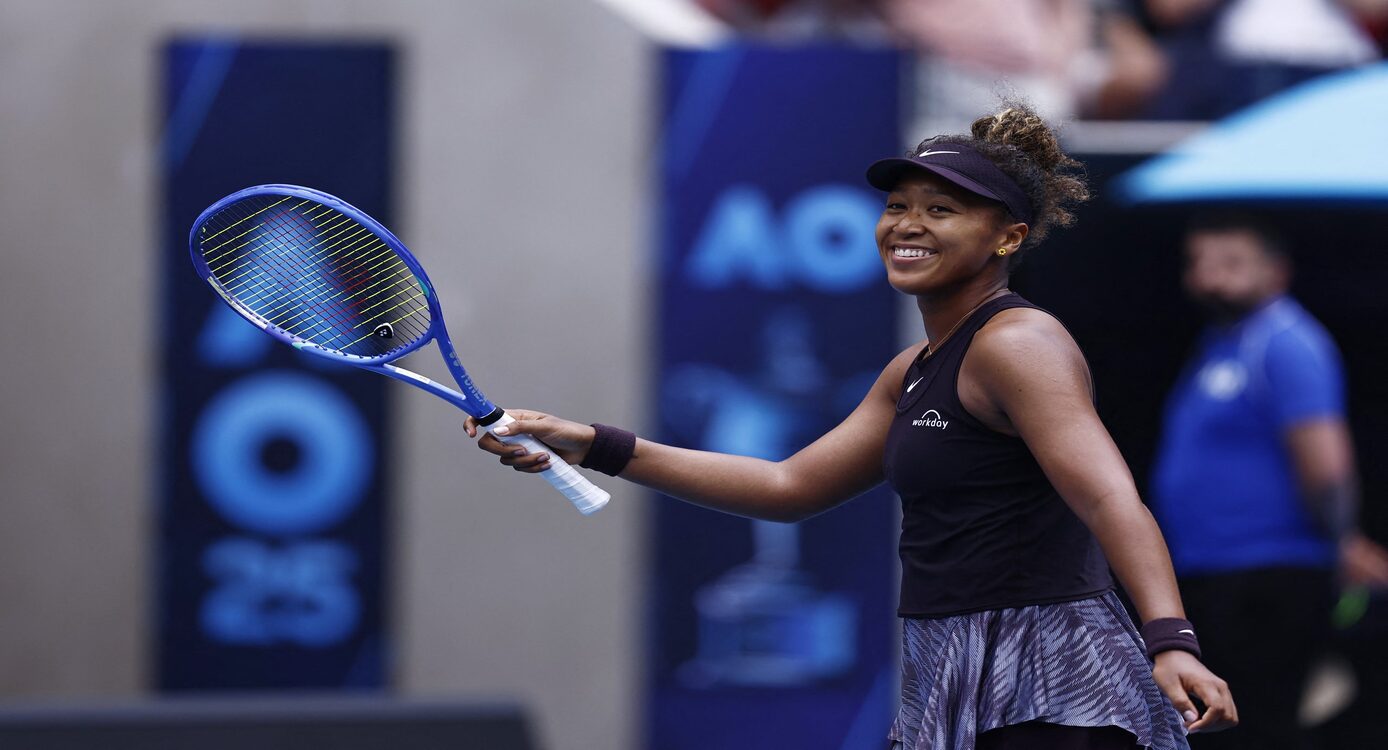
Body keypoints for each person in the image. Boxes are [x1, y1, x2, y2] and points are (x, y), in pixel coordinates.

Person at [466, 104, 1237, 748]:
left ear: (1008, 237)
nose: (909, 225)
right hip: (947, 661)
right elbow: (787, 485)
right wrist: (593, 443)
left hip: (1047, 673)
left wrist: (1170, 638)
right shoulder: (912, 368)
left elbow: (1109, 498)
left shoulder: (1020, 345)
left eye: (942, 209)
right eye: (898, 205)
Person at [1150, 215, 1388, 749]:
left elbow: (1325, 464)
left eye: (1231, 263)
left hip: (1272, 573)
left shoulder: (1286, 341)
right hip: (1219, 571)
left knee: (1259, 724)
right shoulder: (1224, 342)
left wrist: (1342, 539)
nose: (1211, 278)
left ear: (1276, 272)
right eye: (1200, 263)